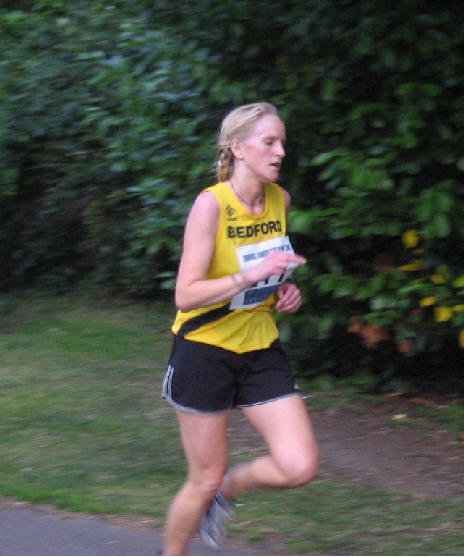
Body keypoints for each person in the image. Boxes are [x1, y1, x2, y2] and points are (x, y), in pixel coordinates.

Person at [160, 102, 319, 555]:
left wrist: (284, 289)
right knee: (203, 477)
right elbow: (186, 294)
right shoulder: (211, 205)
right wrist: (248, 277)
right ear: (238, 148)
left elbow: (269, 268)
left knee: (299, 466)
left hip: (260, 346)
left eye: (282, 142)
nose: (280, 151)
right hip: (205, 349)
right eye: (269, 142)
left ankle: (227, 491)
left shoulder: (279, 200)